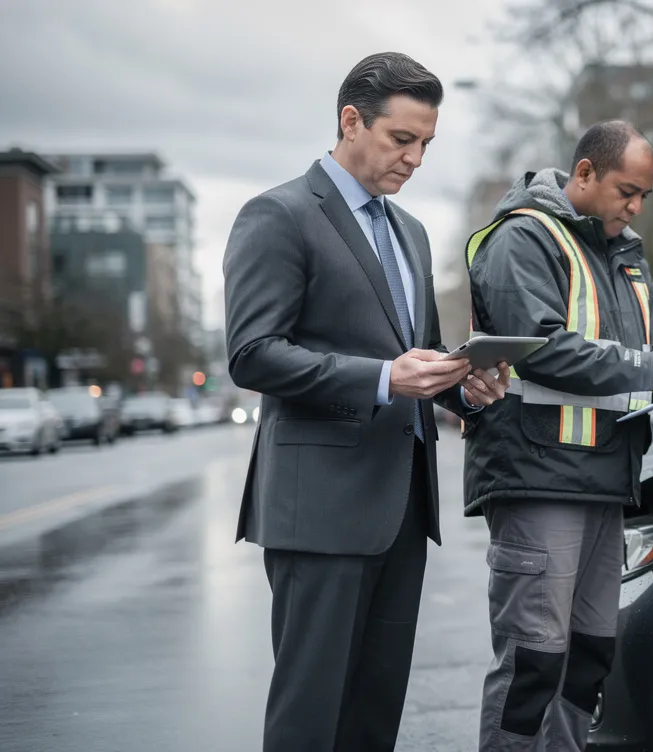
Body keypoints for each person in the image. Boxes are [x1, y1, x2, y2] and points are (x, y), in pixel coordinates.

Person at [222, 52, 510, 751]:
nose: (415, 159)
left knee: (373, 716)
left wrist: (465, 388)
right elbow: (252, 353)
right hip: (318, 511)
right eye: (401, 140)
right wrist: (384, 379)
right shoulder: (278, 214)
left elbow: (423, 358)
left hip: (401, 510)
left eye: (426, 144)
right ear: (351, 121)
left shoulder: (409, 232)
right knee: (309, 718)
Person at [461, 120, 653, 750]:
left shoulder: (625, 252)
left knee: (586, 659)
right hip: (537, 477)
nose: (635, 208)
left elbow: (648, 354)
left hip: (604, 483)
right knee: (534, 664)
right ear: (583, 174)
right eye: (626, 191)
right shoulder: (524, 238)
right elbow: (543, 350)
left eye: (644, 197)